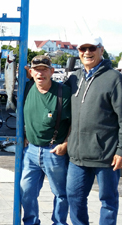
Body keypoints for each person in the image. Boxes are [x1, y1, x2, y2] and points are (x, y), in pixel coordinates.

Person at [65, 36, 122, 225]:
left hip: (106, 154)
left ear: (101, 50)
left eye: (92, 48)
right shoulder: (74, 77)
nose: (87, 52)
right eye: (83, 49)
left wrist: (121, 151)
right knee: (74, 197)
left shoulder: (114, 78)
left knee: (108, 201)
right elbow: (54, 95)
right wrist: (35, 77)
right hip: (77, 155)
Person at [20, 55, 71, 225]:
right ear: (31, 72)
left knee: (60, 193)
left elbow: (75, 122)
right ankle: (31, 222)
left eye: (44, 69)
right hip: (31, 150)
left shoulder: (63, 93)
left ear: (52, 71)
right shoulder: (26, 88)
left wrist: (65, 144)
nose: (40, 73)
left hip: (54, 151)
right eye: (36, 70)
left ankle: (59, 222)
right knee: (26, 191)